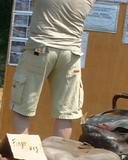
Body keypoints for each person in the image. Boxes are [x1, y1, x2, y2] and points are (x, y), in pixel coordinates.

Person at [10, 0, 94, 139]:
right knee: (65, 114)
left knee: (22, 108)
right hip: (71, 54)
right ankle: (57, 158)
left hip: (39, 49)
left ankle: (23, 156)